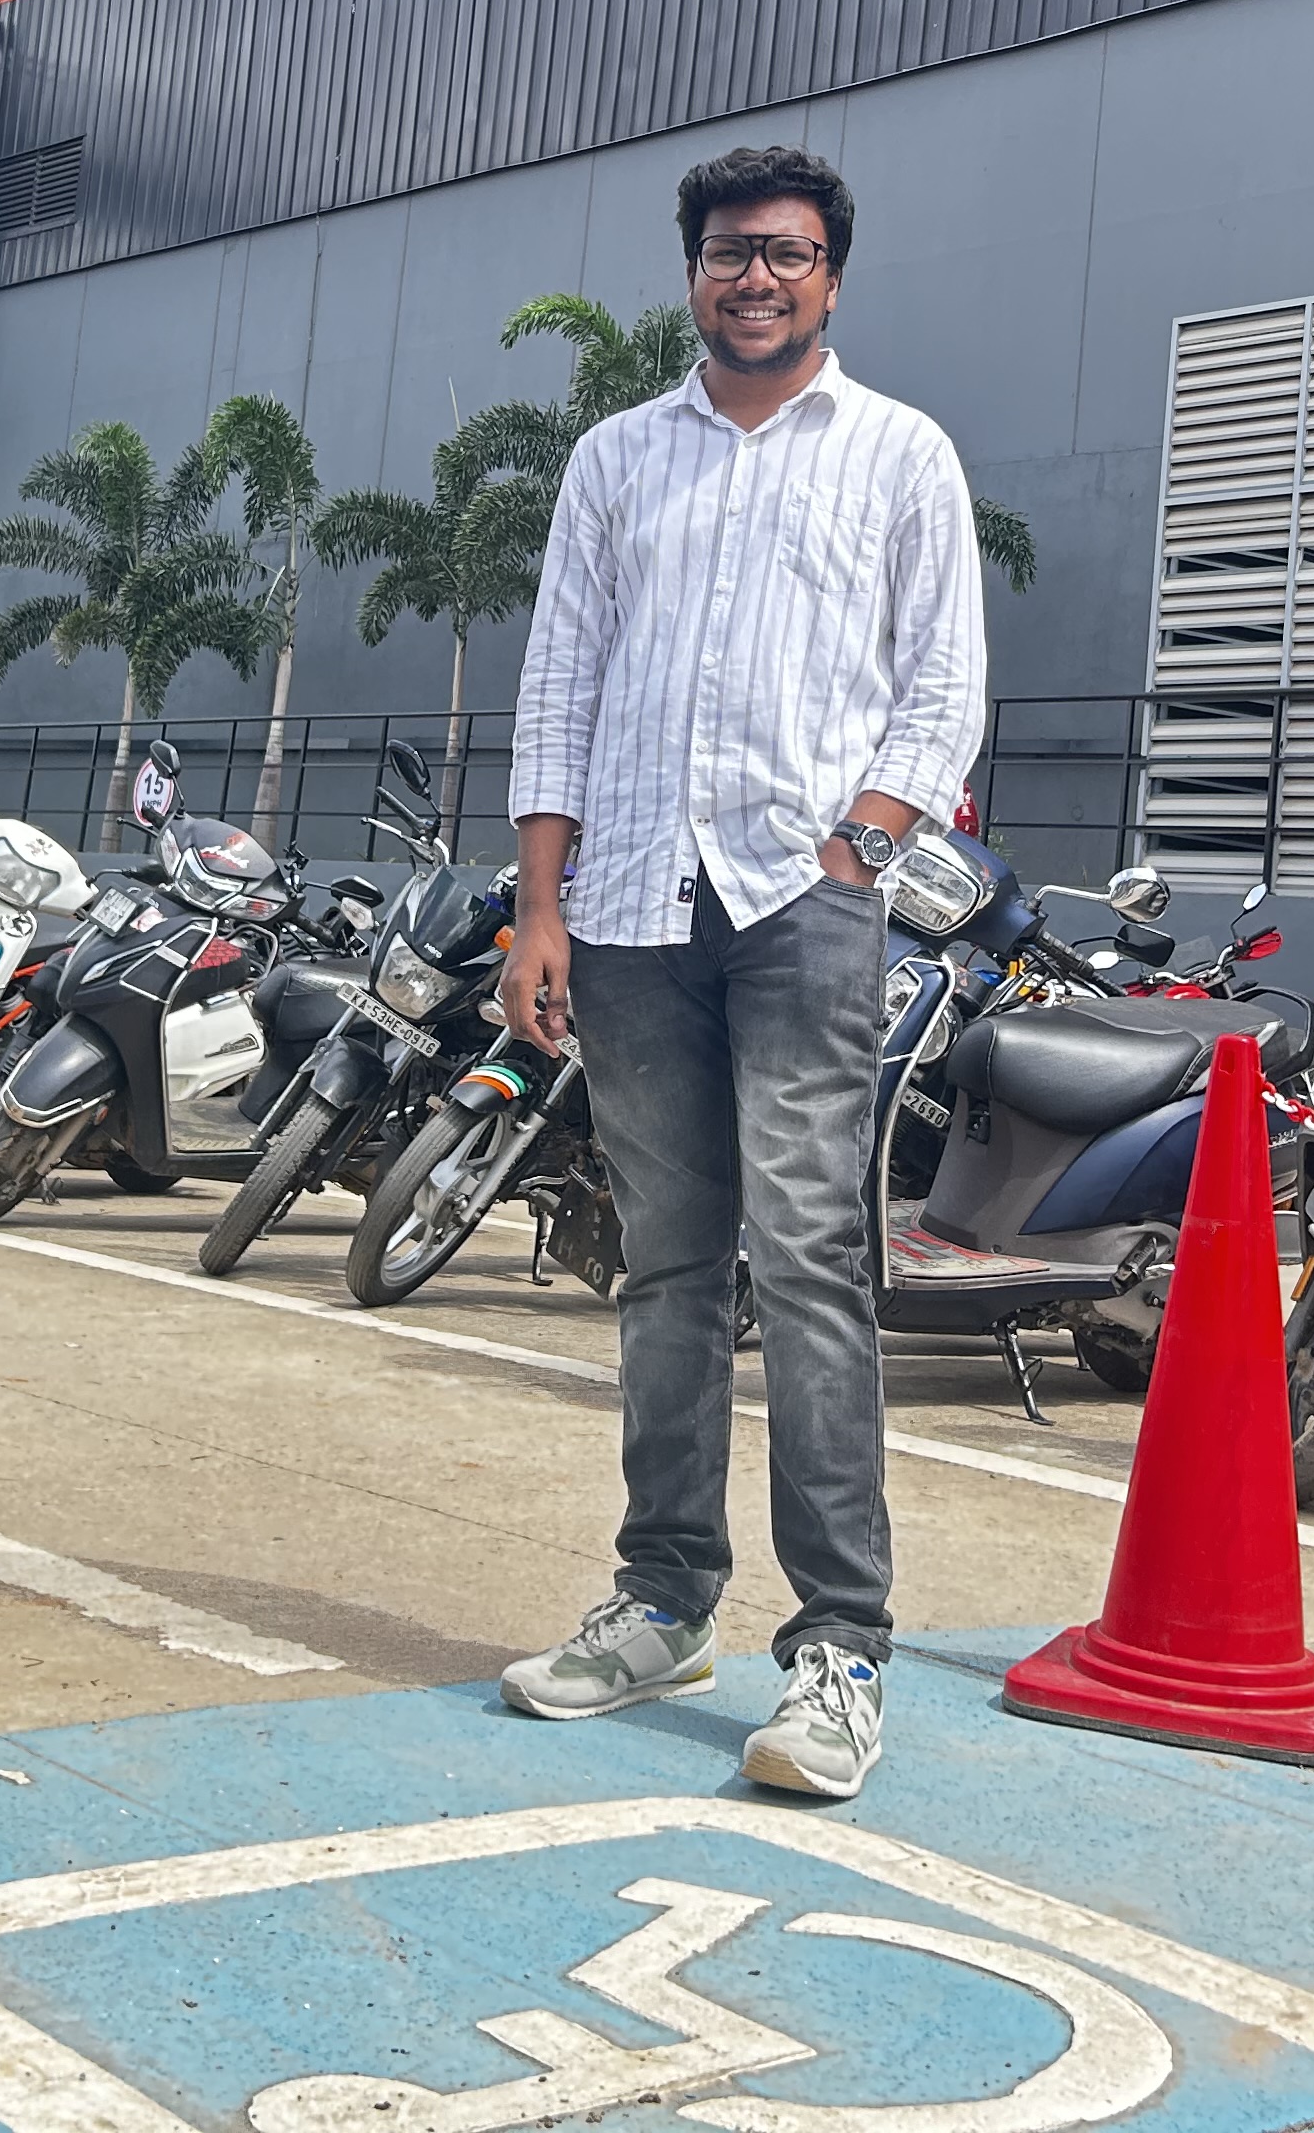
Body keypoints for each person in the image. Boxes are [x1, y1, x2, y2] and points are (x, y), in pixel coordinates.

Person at [496, 143, 988, 1798]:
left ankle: (842, 1644)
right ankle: (661, 1600)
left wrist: (856, 844)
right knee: (665, 1269)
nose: (752, 278)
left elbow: (943, 685)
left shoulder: (900, 456)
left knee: (809, 1266)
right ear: (693, 273)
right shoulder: (619, 461)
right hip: (630, 906)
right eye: (726, 253)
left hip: (800, 904)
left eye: (782, 254)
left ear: (831, 276)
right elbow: (558, 679)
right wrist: (540, 908)